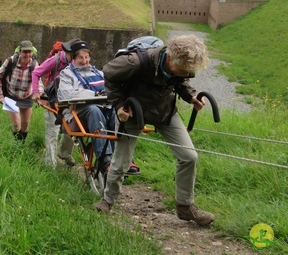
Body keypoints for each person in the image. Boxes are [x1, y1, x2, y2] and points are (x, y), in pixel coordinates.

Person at [96, 34, 214, 227]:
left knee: (189, 156)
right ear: (170, 58)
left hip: (164, 112)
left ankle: (185, 207)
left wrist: (191, 97)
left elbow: (180, 82)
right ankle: (107, 201)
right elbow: (109, 75)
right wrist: (118, 106)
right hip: (133, 111)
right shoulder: (135, 62)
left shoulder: (181, 69)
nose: (186, 74)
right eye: (182, 69)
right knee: (120, 163)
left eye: (188, 71)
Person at [56, 40, 116, 173]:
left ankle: (120, 157)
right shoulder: (67, 74)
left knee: (115, 112)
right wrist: (94, 94)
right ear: (74, 58)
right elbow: (68, 94)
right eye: (80, 58)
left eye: (87, 57)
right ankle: (104, 158)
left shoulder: (99, 73)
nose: (85, 61)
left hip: (102, 107)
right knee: (94, 110)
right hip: (77, 111)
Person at [31, 39, 79, 167]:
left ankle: (64, 154)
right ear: (68, 52)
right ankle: (50, 166)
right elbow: (36, 73)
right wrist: (36, 92)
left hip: (71, 101)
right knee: (53, 132)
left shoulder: (78, 62)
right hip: (52, 100)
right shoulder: (55, 60)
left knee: (72, 130)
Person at [0, 40, 39, 142]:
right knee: (16, 124)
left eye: (29, 52)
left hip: (27, 96)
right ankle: (17, 145)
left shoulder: (34, 65)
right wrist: (0, 96)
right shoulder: (10, 61)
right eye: (25, 52)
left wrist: (37, 93)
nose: (27, 54)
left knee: (25, 123)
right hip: (10, 95)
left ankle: (21, 144)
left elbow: (38, 82)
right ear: (19, 52)